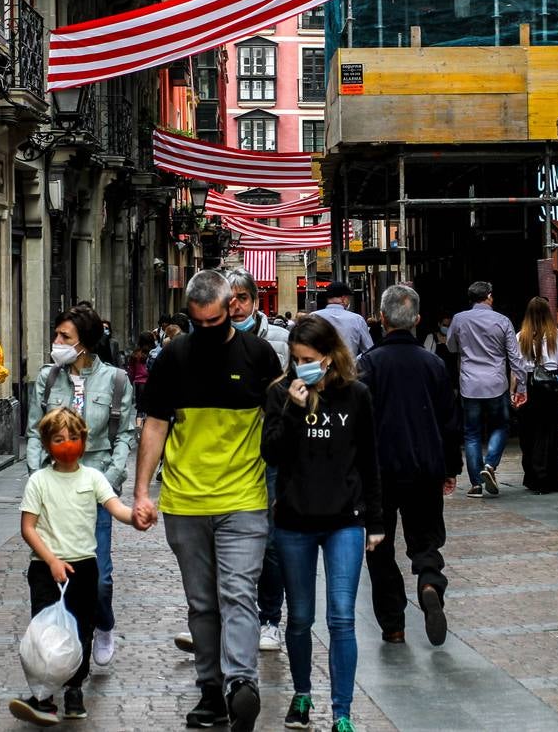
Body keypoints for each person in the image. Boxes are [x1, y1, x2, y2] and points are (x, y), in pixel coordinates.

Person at [134, 270, 283, 732]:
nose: (210, 332)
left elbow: (277, 422)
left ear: (231, 309)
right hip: (184, 501)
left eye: (218, 321)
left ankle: (241, 684)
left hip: (244, 498)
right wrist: (141, 492)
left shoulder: (258, 354)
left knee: (238, 593)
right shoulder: (172, 359)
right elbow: (155, 427)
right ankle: (210, 691)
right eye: (200, 324)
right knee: (202, 603)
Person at [263, 316, 383, 732]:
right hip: (294, 520)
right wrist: (295, 411)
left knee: (342, 617)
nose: (302, 366)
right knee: (298, 618)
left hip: (344, 521)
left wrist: (376, 521)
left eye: (309, 359)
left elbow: (370, 460)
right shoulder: (280, 393)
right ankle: (301, 694)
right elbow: (272, 454)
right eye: (296, 359)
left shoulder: (357, 395)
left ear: (330, 358)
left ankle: (342, 712)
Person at [9, 408, 137, 725]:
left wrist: (137, 516)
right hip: (45, 568)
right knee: (45, 633)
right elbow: (28, 527)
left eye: (73, 438)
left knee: (81, 631)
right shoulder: (39, 481)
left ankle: (74, 690)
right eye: (58, 439)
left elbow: (115, 507)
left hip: (83, 568)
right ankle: (44, 696)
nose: (67, 444)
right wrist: (51, 560)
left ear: (83, 440)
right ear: (47, 443)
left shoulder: (93, 478)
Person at [26, 303, 136, 668]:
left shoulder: (117, 380)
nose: (56, 342)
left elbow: (124, 436)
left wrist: (112, 478)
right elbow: (33, 431)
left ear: (85, 343)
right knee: (54, 572)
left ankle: (103, 623)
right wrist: (37, 475)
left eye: (64, 337)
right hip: (54, 486)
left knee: (99, 576)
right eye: (57, 335)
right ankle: (69, 648)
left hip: (95, 485)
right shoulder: (47, 379)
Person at [357, 285, 461, 646]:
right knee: (425, 537)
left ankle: (393, 624)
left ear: (381, 319)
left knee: (379, 546)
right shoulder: (434, 364)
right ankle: (430, 580)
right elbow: (450, 421)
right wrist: (451, 467)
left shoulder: (368, 365)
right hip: (424, 467)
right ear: (417, 320)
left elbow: (357, 421)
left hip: (379, 473)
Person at [225, 268, 290, 652]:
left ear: (254, 300)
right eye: (228, 301)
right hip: (228, 453)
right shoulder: (210, 340)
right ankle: (231, 616)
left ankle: (269, 618)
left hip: (269, 454)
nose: (235, 308)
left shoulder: (280, 340)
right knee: (227, 537)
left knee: (269, 541)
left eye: (242, 299)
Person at [450, 281, 526, 498]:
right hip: (496, 383)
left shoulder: (459, 319)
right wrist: (521, 384)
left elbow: (452, 347)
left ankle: (475, 485)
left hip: (469, 384)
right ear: (489, 296)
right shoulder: (502, 321)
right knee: (501, 426)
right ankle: (490, 464)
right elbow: (515, 356)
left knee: (472, 433)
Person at [517, 296, 558, 494]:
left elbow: (517, 367)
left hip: (528, 386)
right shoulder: (556, 335)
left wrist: (515, 391)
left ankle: (532, 477)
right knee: (549, 433)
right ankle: (548, 479)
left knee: (528, 432)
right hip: (551, 386)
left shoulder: (520, 336)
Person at [314, 280, 373, 358]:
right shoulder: (357, 319)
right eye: (348, 299)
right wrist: (355, 361)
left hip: (320, 368)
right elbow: (369, 350)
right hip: (348, 367)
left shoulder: (313, 317)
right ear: (344, 298)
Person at [126, 332, 155, 422]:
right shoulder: (154, 353)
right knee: (151, 409)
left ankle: (138, 426)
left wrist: (129, 383)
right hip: (151, 383)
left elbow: (131, 372)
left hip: (139, 385)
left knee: (140, 409)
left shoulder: (135, 354)